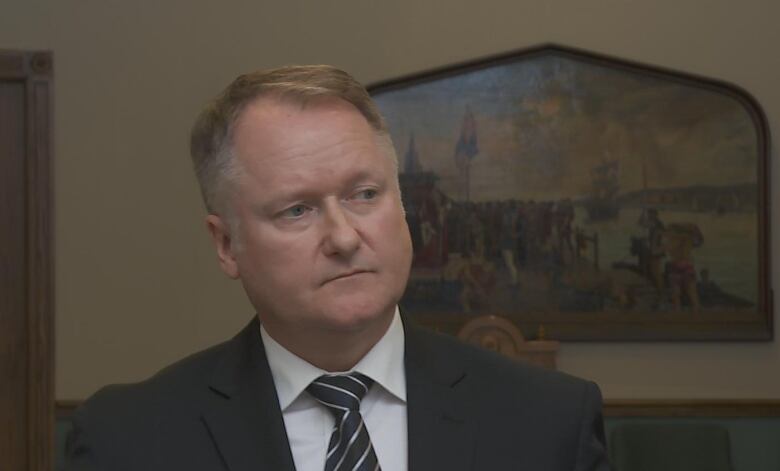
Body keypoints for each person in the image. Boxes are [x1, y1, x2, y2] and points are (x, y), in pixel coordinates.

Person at [64, 65, 609, 470]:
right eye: (297, 210)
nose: (345, 238)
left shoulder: (548, 422)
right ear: (226, 244)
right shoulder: (128, 440)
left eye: (365, 194)